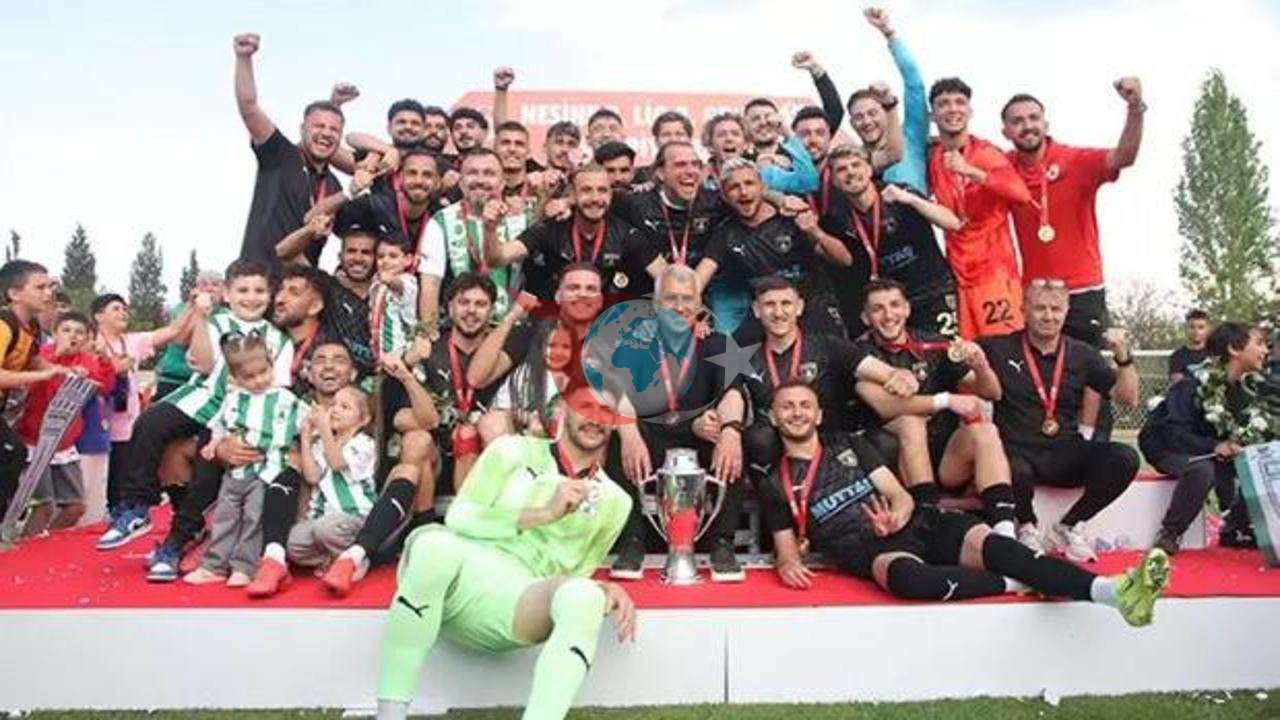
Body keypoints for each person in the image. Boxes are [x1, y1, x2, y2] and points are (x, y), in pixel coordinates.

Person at [760, 381, 1169, 627]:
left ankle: (1113, 592)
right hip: (874, 550)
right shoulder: (774, 481)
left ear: (818, 415)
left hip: (915, 523)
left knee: (1000, 548)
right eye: (787, 407)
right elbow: (785, 551)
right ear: (774, 418)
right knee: (909, 582)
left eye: (804, 406)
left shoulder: (848, 446)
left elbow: (898, 494)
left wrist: (897, 514)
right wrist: (788, 563)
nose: (796, 413)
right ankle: (1018, 581)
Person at [373, 387, 635, 720]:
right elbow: (460, 517)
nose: (595, 419)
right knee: (434, 545)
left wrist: (601, 590)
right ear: (562, 410)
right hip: (460, 573)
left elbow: (576, 575)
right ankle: (390, 714)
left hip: (520, 599)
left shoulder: (616, 501)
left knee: (585, 596)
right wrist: (544, 513)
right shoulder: (512, 450)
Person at [97, 260, 293, 552]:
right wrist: (200, 317)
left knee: (206, 467)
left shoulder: (279, 340)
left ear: (270, 294)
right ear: (227, 294)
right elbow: (203, 364)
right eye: (243, 290)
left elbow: (277, 389)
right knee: (149, 424)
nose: (251, 297)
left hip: (241, 410)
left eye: (259, 291)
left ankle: (179, 539)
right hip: (202, 396)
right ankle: (138, 505)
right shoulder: (215, 322)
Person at [602, 264, 748, 582]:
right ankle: (631, 542)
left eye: (687, 298)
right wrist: (629, 434)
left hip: (699, 437)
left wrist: (731, 431)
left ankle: (722, 543)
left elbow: (732, 394)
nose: (680, 306)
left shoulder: (719, 343)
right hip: (651, 435)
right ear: (656, 305)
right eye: (671, 298)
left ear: (699, 305)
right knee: (616, 437)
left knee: (733, 441)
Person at [981, 279, 1140, 561]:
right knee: (1012, 468)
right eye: (1040, 308)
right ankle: (1026, 527)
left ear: (1066, 312)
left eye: (1055, 309)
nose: (1048, 316)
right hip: (1018, 450)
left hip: (1065, 449)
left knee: (1125, 458)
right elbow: (958, 369)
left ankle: (1070, 525)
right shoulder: (998, 348)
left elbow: (1128, 399)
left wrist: (1123, 358)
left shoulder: (1083, 354)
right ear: (1024, 310)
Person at [851, 279, 1014, 536]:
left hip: (945, 460)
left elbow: (992, 392)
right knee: (911, 421)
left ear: (907, 309)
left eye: (894, 305)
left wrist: (981, 366)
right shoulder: (858, 354)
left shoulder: (933, 344)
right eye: (878, 309)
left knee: (986, 431)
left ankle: (1005, 529)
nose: (889, 315)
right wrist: (946, 400)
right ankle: (928, 518)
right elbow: (885, 406)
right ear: (865, 317)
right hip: (892, 469)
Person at [1002, 78, 1146, 347]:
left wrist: (1135, 108)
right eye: (1017, 121)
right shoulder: (1003, 167)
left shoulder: (1075, 160)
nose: (1027, 126)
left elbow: (1124, 156)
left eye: (1034, 118)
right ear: (1006, 131)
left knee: (1088, 368)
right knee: (1039, 369)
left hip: (1082, 290)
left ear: (1046, 125)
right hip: (1033, 293)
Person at [183, 333, 307, 587]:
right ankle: (214, 565)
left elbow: (306, 423)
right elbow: (220, 425)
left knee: (254, 518)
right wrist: (214, 444)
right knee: (225, 516)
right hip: (236, 471)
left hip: (267, 471)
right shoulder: (233, 398)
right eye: (249, 377)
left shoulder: (285, 399)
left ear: (271, 365)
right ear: (234, 377)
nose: (259, 380)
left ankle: (245, 567)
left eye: (263, 372)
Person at [1141, 322, 1272, 553]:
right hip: (1167, 448)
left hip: (1210, 452)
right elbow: (1173, 433)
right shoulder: (1191, 384)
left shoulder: (1244, 393)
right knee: (1201, 469)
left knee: (1260, 462)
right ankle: (1170, 534)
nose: (1265, 350)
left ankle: (1236, 528)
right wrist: (1214, 446)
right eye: (1259, 343)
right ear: (1234, 349)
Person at [927, 78, 1031, 340]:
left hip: (994, 274)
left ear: (970, 111)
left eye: (960, 102)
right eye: (943, 104)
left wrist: (971, 171)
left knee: (1004, 351)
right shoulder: (934, 156)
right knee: (968, 356)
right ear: (932, 114)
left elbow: (1021, 194)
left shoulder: (986, 153)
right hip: (959, 276)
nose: (953, 109)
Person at [232, 33, 345, 275]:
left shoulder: (335, 186)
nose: (326, 133)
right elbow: (249, 107)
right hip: (258, 281)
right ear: (302, 129)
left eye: (334, 129)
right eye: (318, 126)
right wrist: (244, 58)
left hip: (299, 289)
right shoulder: (281, 155)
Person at [819, 145, 960, 338]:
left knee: (949, 352)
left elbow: (952, 223)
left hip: (932, 292)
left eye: (856, 165)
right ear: (834, 180)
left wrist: (911, 200)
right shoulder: (836, 218)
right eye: (841, 169)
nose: (850, 172)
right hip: (888, 305)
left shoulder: (899, 192)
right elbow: (844, 261)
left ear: (869, 169)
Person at [696, 158, 848, 335]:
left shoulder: (793, 218)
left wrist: (815, 232)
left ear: (763, 187)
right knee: (727, 349)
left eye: (749, 183)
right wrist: (694, 316)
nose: (743, 192)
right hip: (770, 318)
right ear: (724, 196)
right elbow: (698, 279)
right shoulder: (725, 234)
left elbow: (844, 260)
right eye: (734, 187)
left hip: (813, 308)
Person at [91, 293, 200, 512]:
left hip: (126, 429)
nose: (123, 313)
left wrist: (192, 305)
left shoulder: (133, 341)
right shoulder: (88, 342)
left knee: (120, 490)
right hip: (95, 429)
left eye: (124, 309)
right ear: (98, 316)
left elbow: (173, 330)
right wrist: (111, 368)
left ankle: (121, 519)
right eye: (116, 309)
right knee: (93, 493)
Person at [16, 312, 114, 535]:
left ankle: (44, 542)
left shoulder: (87, 361)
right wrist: (56, 359)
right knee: (44, 506)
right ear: (55, 333)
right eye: (66, 330)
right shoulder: (40, 355)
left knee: (76, 507)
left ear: (87, 338)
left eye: (79, 332)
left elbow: (104, 387)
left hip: (64, 444)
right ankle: (26, 547)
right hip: (34, 440)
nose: (73, 336)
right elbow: (27, 388)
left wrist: (106, 362)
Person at [486, 165, 639, 301]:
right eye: (586, 190)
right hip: (554, 318)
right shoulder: (551, 229)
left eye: (602, 190)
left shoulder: (625, 233)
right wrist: (490, 228)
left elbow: (656, 272)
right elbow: (497, 258)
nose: (595, 198)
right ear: (572, 194)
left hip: (604, 321)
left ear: (610, 194)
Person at [418, 148, 535, 323]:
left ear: (502, 182)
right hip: (457, 329)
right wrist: (428, 331)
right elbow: (430, 286)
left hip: (510, 329)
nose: (480, 180)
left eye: (489, 174)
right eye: (472, 173)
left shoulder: (521, 219)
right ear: (461, 182)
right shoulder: (441, 221)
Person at [0, 260, 66, 519]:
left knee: (12, 454)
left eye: (50, 287)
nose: (48, 293)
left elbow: (33, 358)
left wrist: (58, 369)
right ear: (14, 293)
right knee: (12, 453)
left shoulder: (32, 327)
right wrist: (41, 375)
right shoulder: (4, 325)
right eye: (40, 288)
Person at [288, 385, 378, 574]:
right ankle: (331, 559)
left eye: (345, 407)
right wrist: (306, 436)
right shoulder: (322, 444)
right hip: (324, 519)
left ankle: (356, 560)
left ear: (364, 420)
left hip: (354, 516)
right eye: (334, 405)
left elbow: (336, 463)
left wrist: (323, 428)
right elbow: (312, 476)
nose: (336, 410)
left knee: (326, 529)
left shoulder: (364, 444)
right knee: (292, 543)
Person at [854, 7, 925, 192]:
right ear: (852, 124)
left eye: (872, 113)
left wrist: (889, 33)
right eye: (859, 117)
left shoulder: (911, 136)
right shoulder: (854, 161)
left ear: (885, 110)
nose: (867, 121)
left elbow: (914, 84)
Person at [153, 270, 226, 399]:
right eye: (204, 284)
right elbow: (181, 339)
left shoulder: (227, 315)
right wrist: (198, 310)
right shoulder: (181, 309)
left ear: (223, 290)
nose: (209, 288)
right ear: (196, 289)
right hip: (173, 379)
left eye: (215, 285)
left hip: (207, 383)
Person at [369, 233, 419, 360]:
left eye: (393, 256)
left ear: (408, 260)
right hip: (380, 348)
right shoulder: (376, 283)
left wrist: (388, 279)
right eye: (381, 256)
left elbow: (398, 285)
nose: (385, 261)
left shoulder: (408, 281)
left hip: (401, 348)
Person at [1169, 309, 1212, 384]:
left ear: (1208, 329)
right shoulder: (1178, 356)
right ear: (1186, 329)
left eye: (1201, 327)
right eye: (1192, 327)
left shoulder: (1215, 353)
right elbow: (1176, 382)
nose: (1196, 331)